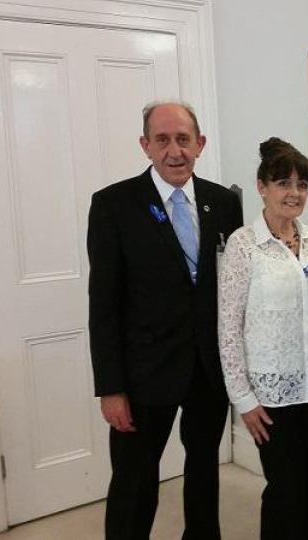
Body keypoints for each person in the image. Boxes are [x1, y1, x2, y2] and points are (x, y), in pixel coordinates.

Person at [87, 101, 243, 540]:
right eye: (162, 140)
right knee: (135, 483)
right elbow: (103, 305)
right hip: (143, 375)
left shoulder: (223, 203)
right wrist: (111, 387)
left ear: (200, 144)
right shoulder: (113, 205)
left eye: (183, 139)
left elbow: (232, 291)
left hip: (207, 371)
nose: (175, 151)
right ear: (146, 145)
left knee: (204, 474)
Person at [218, 137, 308, 540]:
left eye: (302, 185)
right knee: (284, 490)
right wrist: (242, 397)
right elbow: (228, 326)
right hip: (271, 394)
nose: (294, 193)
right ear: (262, 187)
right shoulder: (243, 245)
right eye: (283, 183)